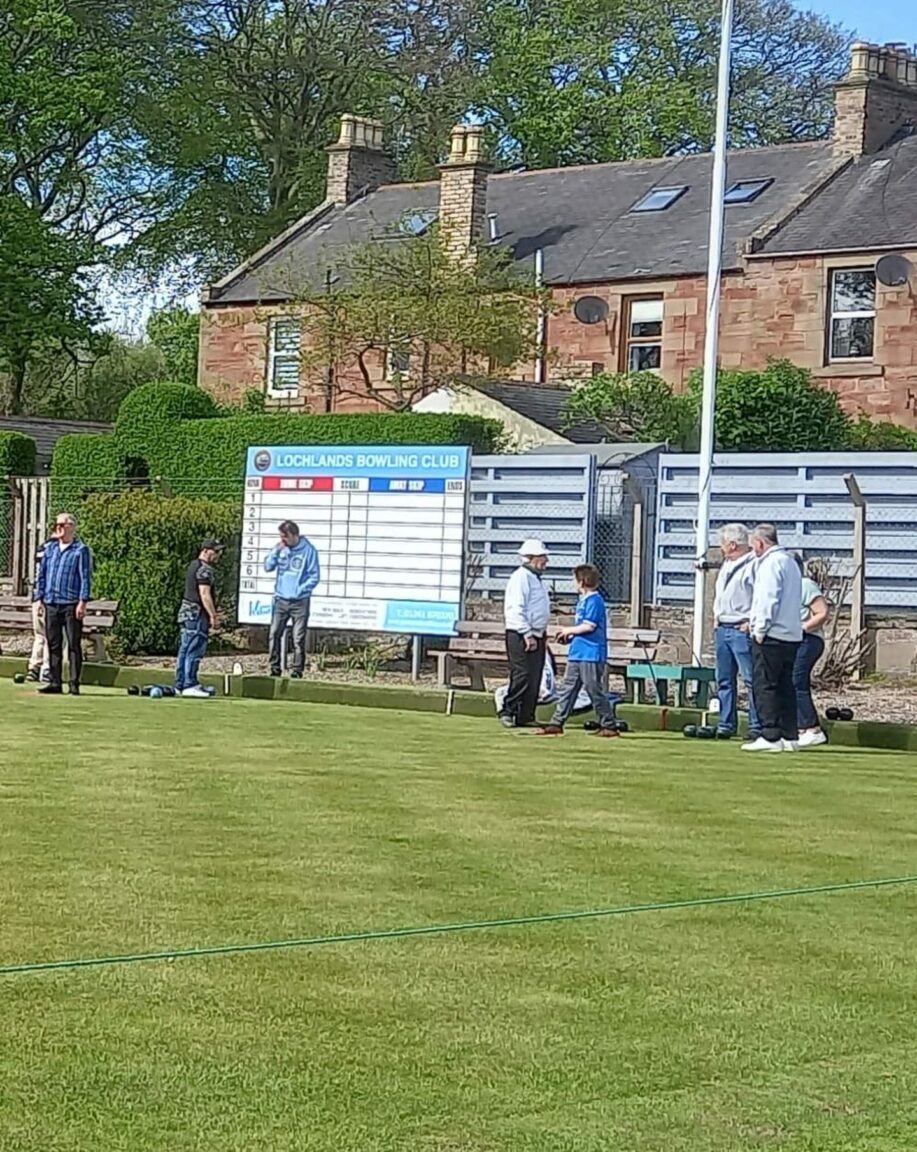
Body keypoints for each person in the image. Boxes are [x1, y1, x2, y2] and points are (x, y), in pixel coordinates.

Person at [537, 564, 618, 738]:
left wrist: (568, 631)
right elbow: (581, 627)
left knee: (593, 688)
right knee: (568, 688)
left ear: (581, 582)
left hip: (591, 653)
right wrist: (571, 637)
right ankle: (556, 723)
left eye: (574, 580)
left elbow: (589, 626)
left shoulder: (595, 600)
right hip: (577, 652)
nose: (573, 583)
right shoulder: (583, 601)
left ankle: (609, 724)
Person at [744, 523, 803, 753]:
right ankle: (790, 735)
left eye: (753, 546)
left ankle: (770, 735)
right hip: (792, 634)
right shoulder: (790, 562)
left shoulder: (770, 563)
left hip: (771, 634)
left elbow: (768, 599)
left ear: (760, 542)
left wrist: (759, 629)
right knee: (786, 685)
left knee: (765, 684)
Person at [34, 512, 93, 696]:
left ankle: (74, 683)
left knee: (74, 645)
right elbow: (42, 575)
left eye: (62, 524)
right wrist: (40, 598)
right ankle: (55, 682)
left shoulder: (80, 550)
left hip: (70, 603)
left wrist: (82, 602)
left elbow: (85, 577)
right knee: (53, 644)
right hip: (51, 602)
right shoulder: (50, 549)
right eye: (57, 524)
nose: (58, 527)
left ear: (71, 527)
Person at [712, 524, 760, 740]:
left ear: (732, 544)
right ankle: (726, 723)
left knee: (750, 678)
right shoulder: (726, 565)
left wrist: (751, 621)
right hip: (723, 627)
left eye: (722, 543)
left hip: (741, 627)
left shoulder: (753, 565)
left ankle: (756, 725)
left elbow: (761, 595)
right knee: (724, 679)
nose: (720, 548)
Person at [499, 539, 551, 728]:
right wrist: (526, 634)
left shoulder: (535, 578)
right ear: (530, 558)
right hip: (520, 634)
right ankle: (508, 710)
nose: (546, 560)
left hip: (536, 633)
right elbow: (515, 609)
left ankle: (526, 715)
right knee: (522, 674)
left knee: (535, 675)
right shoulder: (520, 578)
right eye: (542, 556)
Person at [264, 520, 320, 678]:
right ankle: (275, 668)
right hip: (280, 600)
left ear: (295, 535)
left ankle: (297, 670)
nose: (282, 540)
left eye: (285, 537)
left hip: (300, 602)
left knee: (298, 638)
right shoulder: (280, 548)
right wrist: (275, 551)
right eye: (281, 537)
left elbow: (314, 576)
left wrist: (299, 590)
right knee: (274, 634)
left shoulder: (309, 551)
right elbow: (268, 567)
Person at [175, 538, 224, 698]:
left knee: (185, 649)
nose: (218, 554)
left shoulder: (192, 565)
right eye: (215, 551)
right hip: (196, 614)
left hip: (186, 613)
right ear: (205, 550)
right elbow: (204, 594)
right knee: (194, 649)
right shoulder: (205, 569)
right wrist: (213, 616)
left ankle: (180, 684)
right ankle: (189, 684)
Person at [793, 557, 830, 748]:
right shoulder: (784, 588)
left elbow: (822, 613)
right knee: (790, 681)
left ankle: (812, 728)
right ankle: (800, 728)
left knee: (797, 680)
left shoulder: (805, 584)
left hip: (809, 639)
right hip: (791, 641)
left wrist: (803, 628)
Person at [27, 544, 50, 683]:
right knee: (51, 637)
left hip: (36, 598)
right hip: (48, 598)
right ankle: (46, 670)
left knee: (40, 636)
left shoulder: (41, 548)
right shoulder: (54, 549)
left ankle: (34, 668)